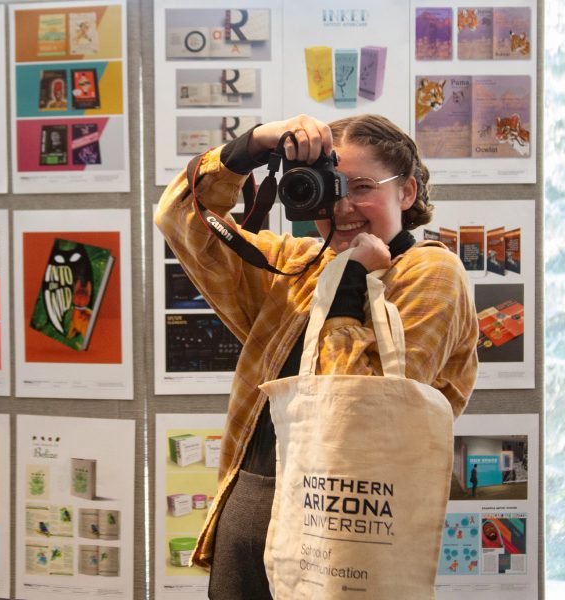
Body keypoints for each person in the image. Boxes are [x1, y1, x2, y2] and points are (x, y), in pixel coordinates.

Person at [155, 113, 479, 598]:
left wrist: (351, 282)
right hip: (249, 512)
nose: (343, 206)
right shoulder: (299, 266)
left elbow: (358, 414)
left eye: (362, 187)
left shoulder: (430, 272)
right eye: (331, 186)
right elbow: (179, 218)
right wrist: (251, 147)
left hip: (346, 528)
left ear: (407, 191)